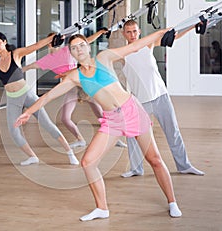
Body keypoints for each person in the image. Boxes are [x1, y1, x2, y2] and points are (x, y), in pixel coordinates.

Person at [15, 29, 183, 221]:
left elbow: (135, 46)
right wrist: (28, 112)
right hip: (112, 120)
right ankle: (102, 208)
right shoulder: (74, 77)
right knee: (88, 162)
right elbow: (48, 96)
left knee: (154, 160)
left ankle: (172, 202)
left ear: (88, 46)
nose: (78, 49)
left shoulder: (104, 58)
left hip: (131, 111)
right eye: (74, 48)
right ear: (71, 52)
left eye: (81, 45)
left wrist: (163, 32)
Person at [0, 32, 79, 166]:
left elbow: (36, 46)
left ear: (5, 42)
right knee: (13, 131)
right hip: (12, 100)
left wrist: (52, 38)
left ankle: (70, 153)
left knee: (48, 125)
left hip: (27, 95)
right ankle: (32, 157)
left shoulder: (16, 54)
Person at [120, 20, 204, 178]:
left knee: (173, 131)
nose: (132, 35)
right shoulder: (122, 53)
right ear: (124, 34)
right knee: (132, 135)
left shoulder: (147, 45)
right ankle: (136, 169)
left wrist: (193, 26)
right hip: (140, 101)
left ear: (139, 32)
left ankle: (184, 165)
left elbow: (174, 37)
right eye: (128, 32)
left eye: (134, 31)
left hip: (160, 96)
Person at [22, 29, 127, 149]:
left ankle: (115, 138)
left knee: (101, 114)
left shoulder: (67, 50)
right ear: (48, 43)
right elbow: (30, 66)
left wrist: (99, 33)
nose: (55, 43)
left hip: (85, 84)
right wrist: (14, 71)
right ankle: (80, 139)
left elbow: (86, 41)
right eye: (52, 41)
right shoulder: (46, 60)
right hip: (71, 87)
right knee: (65, 118)